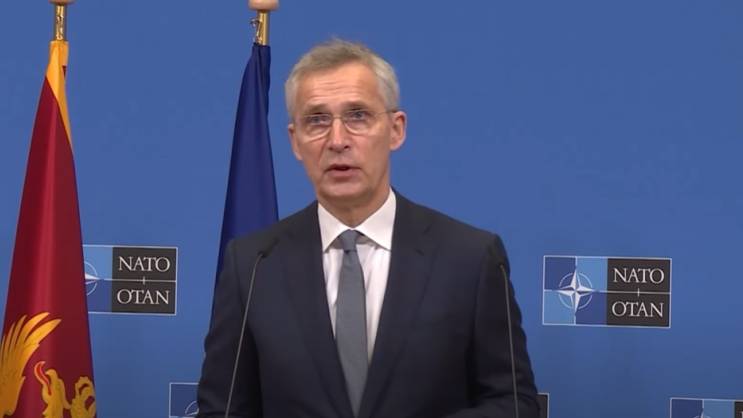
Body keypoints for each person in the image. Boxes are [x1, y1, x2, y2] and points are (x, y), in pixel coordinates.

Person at [197, 39, 539, 418]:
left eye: (357, 116)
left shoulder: (470, 259)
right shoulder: (253, 265)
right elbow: (222, 410)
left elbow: (515, 405)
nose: (337, 140)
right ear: (295, 141)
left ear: (396, 130)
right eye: (317, 120)